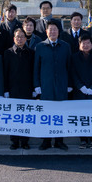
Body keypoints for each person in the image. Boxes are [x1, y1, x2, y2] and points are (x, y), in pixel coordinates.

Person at [33, 22, 71, 150]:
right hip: (46, 86)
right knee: (46, 114)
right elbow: (36, 67)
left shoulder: (65, 46)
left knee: (60, 114)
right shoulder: (40, 46)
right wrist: (37, 85)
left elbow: (69, 66)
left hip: (61, 85)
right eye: (50, 29)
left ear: (58, 32)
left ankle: (59, 141)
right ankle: (46, 141)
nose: (53, 32)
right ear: (46, 31)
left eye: (55, 29)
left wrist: (69, 84)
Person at [3, 28, 35, 150]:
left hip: (27, 89)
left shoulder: (31, 53)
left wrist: (34, 88)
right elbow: (5, 73)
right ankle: (14, 141)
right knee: (14, 117)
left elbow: (33, 71)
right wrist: (6, 90)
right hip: (13, 89)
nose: (20, 39)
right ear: (14, 38)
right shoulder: (8, 53)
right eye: (17, 37)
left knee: (26, 117)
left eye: (22, 37)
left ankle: (25, 141)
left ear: (26, 39)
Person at [70, 33, 92, 149]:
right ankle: (83, 140)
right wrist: (80, 87)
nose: (86, 45)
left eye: (88, 43)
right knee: (81, 116)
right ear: (79, 45)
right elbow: (73, 73)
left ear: (91, 44)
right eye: (83, 43)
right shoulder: (74, 57)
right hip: (79, 92)